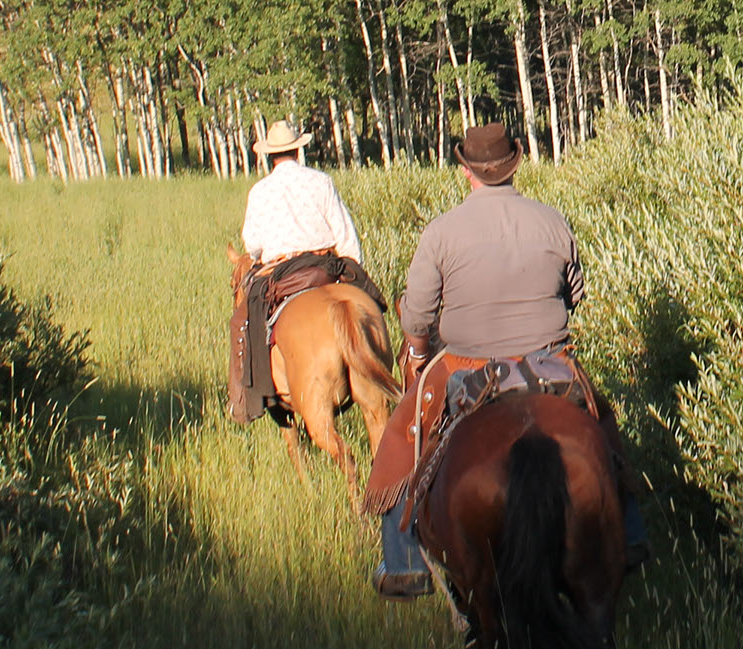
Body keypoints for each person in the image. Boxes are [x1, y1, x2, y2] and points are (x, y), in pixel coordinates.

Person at [375, 121, 648, 597]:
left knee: (402, 437)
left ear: (466, 171)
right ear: (514, 166)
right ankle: (630, 531)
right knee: (602, 426)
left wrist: (418, 352)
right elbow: (574, 294)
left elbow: (416, 317)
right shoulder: (552, 220)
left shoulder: (441, 232)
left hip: (465, 362)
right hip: (549, 359)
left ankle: (403, 563)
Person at [241, 120, 362, 266]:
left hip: (280, 265)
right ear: (297, 151)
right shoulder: (322, 181)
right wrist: (355, 266)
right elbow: (344, 234)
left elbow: (252, 244)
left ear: (270, 156)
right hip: (324, 262)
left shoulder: (259, 191)